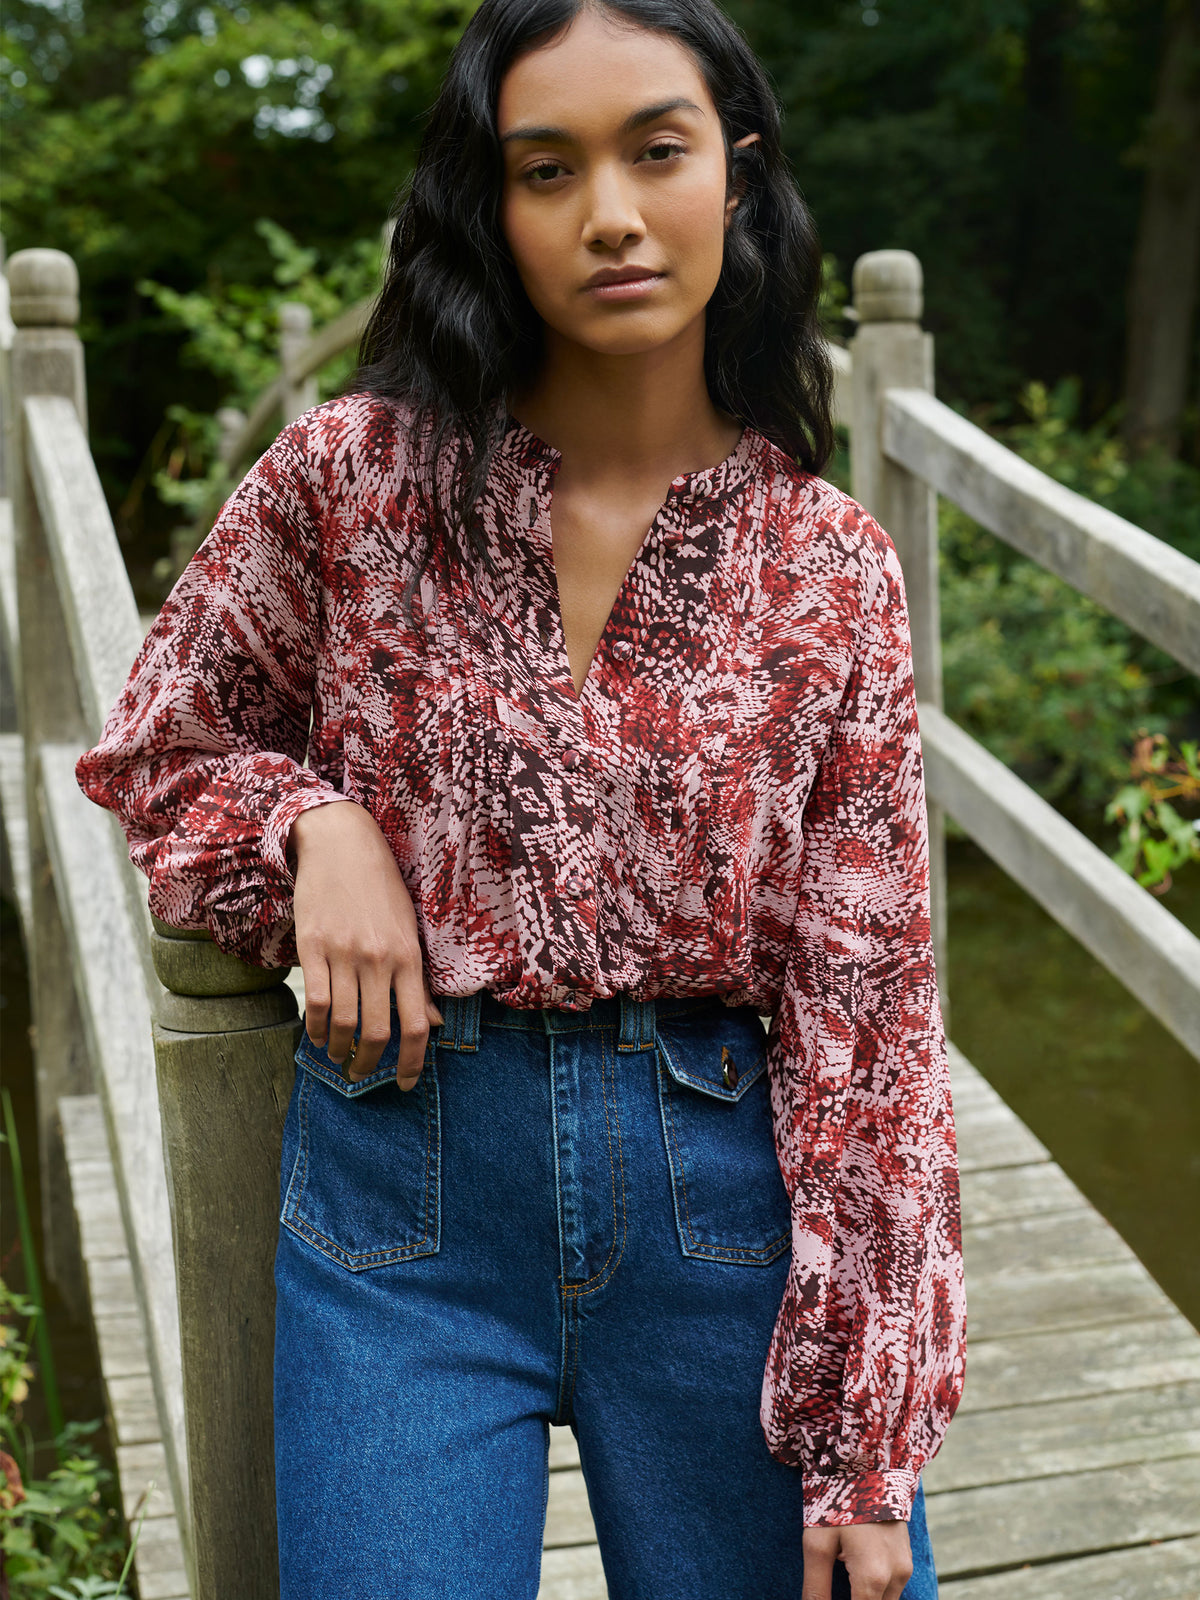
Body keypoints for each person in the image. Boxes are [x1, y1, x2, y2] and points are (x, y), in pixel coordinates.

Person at [75, 0, 968, 1595]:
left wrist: (864, 1433)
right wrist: (309, 825)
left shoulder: (831, 568)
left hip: (726, 1214)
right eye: (545, 170)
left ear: (740, 179)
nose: (609, 215)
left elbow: (871, 1013)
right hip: (401, 1206)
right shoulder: (350, 480)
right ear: (488, 211)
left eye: (657, 152)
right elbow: (159, 748)